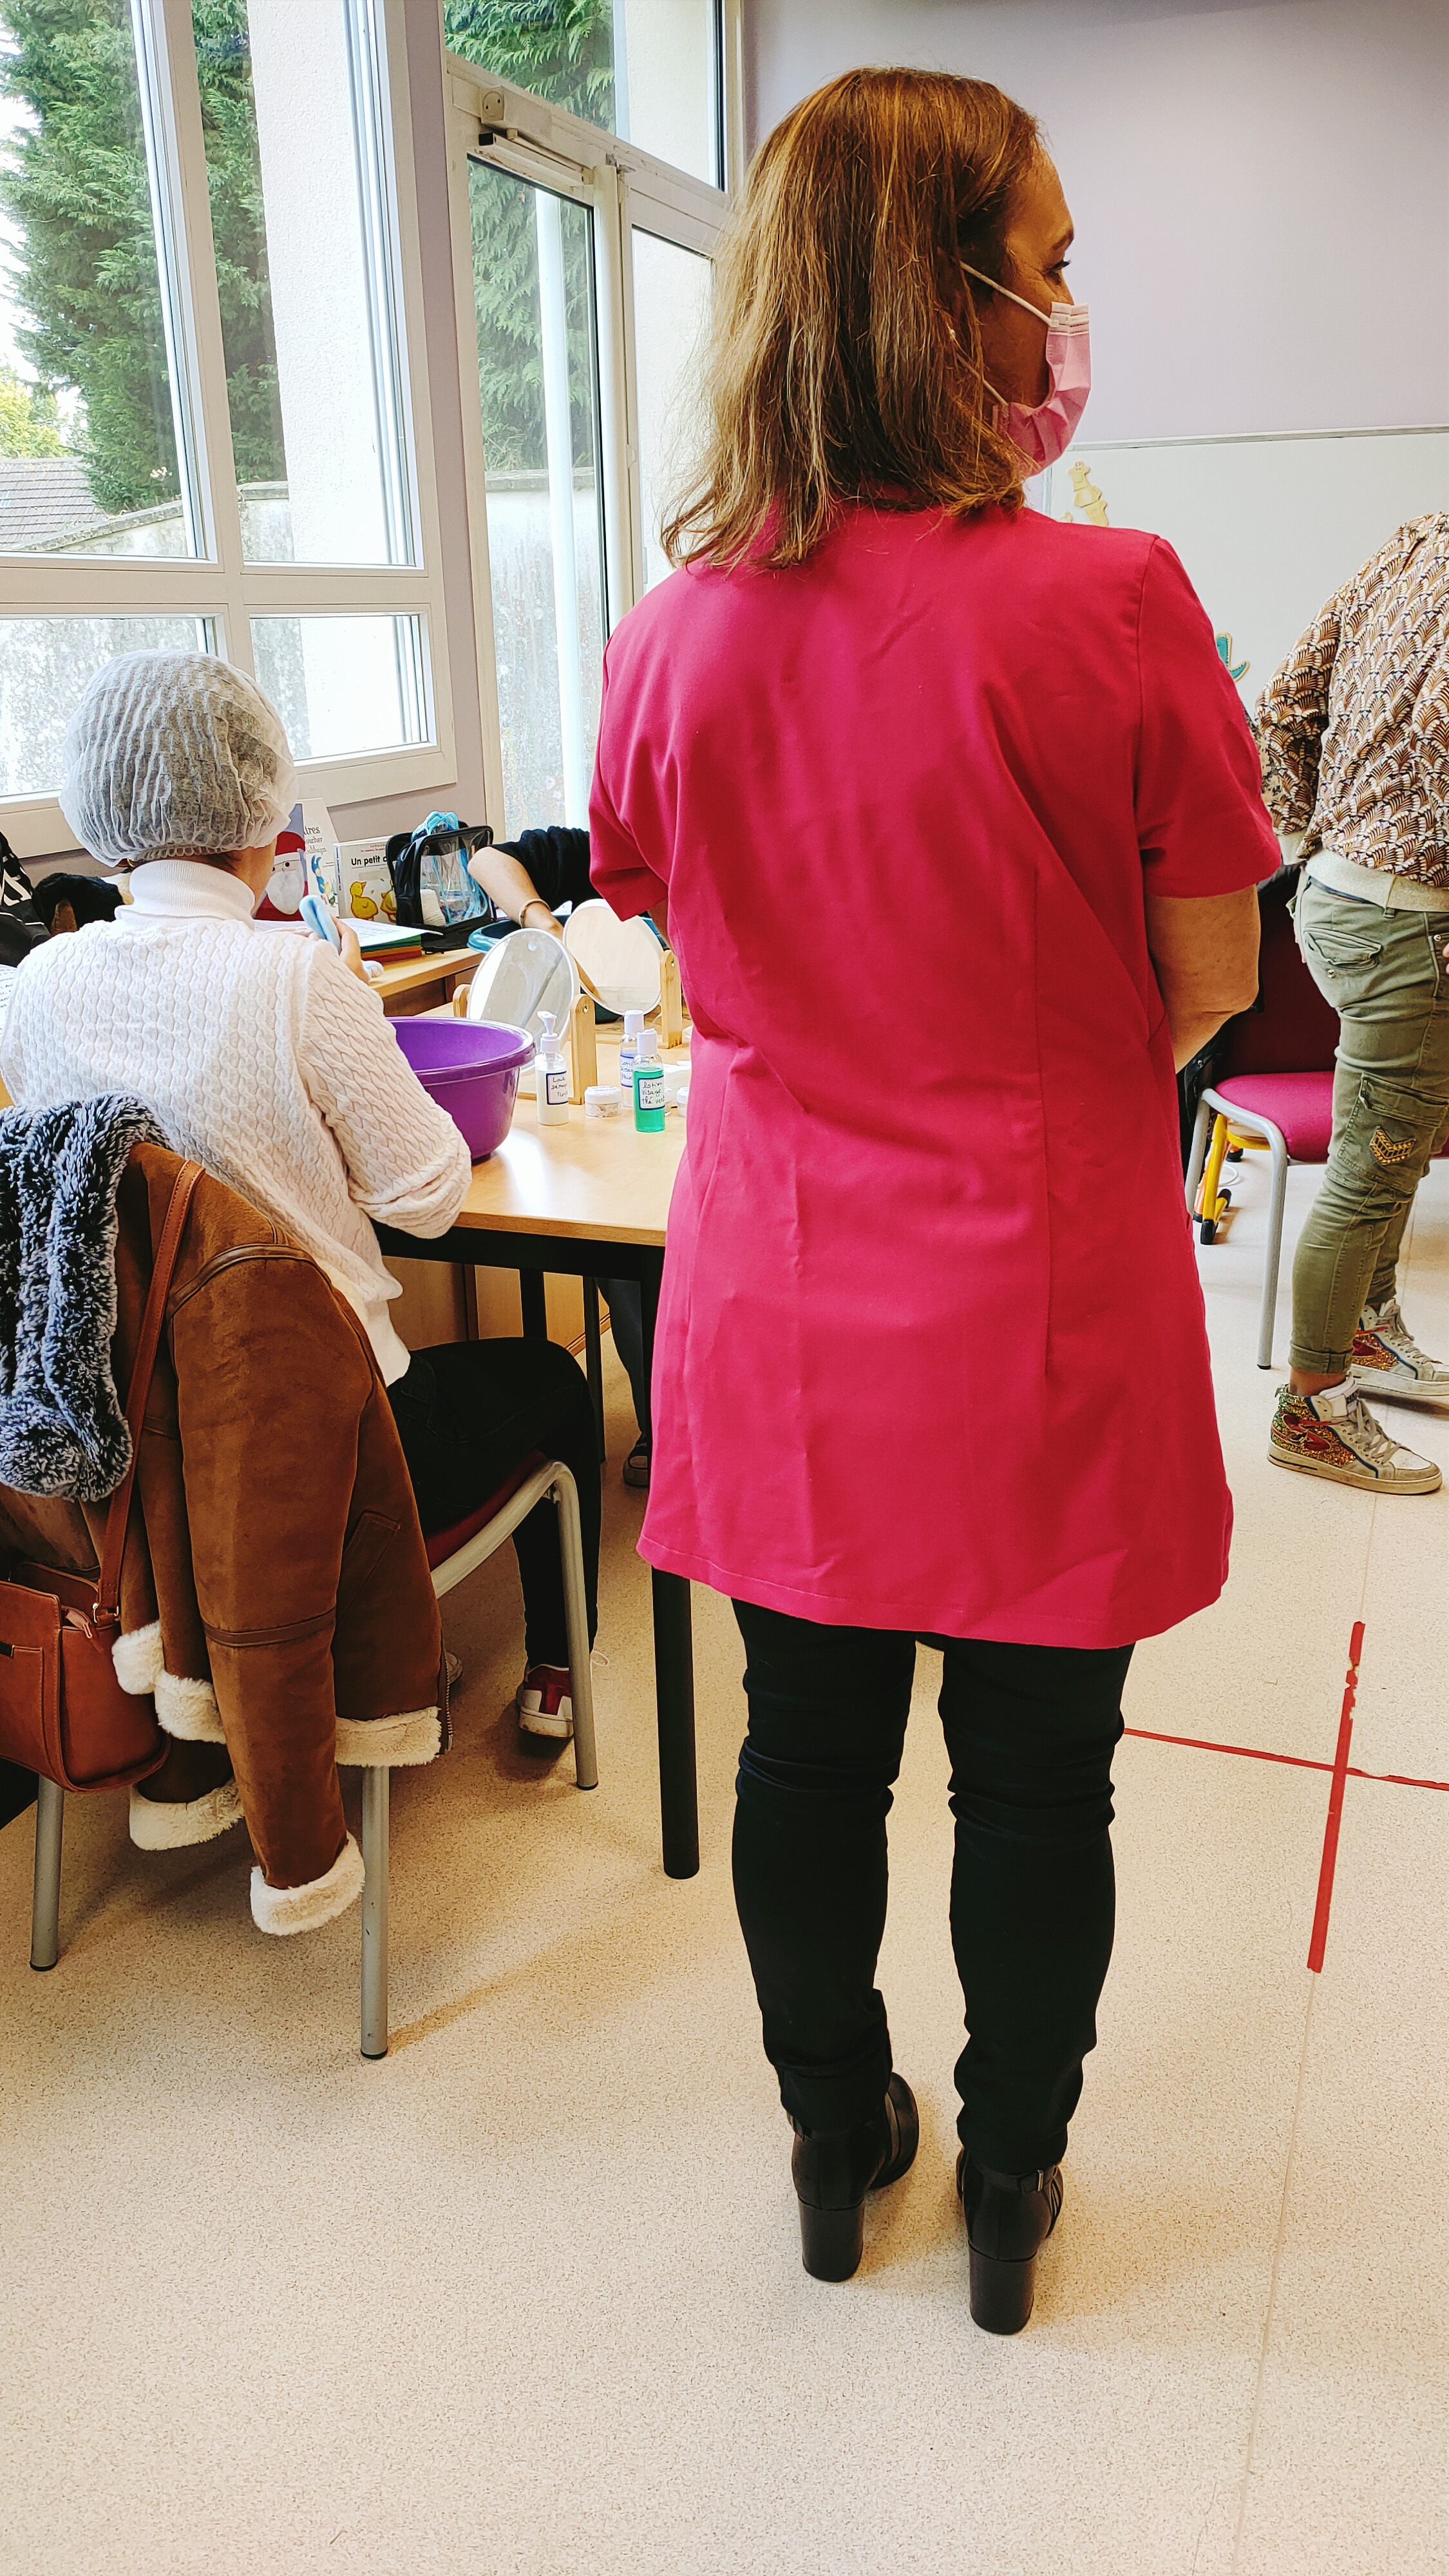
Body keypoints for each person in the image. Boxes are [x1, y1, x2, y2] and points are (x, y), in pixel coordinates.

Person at [588, 68, 1271, 2329]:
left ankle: (825, 2135)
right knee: (1038, 1786)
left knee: (806, 1751)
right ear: (931, 298)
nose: (1069, 312)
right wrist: (1022, 1083)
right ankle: (1008, 2177)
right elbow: (1197, 981)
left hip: (783, 1306)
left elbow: (690, 954)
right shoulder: (1116, 601)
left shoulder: (674, 632)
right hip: (1043, 1299)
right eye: (1048, 268)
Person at [0, 650, 599, 1747]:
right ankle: (559, 1673)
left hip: (148, 1458)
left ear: (101, 814)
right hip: (328, 1450)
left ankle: (371, 1637)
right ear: (260, 805)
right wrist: (348, 1044)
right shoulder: (296, 976)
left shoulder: (33, 988)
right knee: (557, 1380)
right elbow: (424, 1199)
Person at [1255, 518, 1449, 1495]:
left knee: (1397, 1143)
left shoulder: (1418, 540)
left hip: (1338, 896)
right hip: (1406, 921)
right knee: (1371, 1170)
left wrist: (1303, 838)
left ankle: (1366, 1336)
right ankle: (1311, 1409)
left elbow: (1282, 702)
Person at [466, 822, 658, 1488]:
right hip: (611, 1083)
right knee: (627, 1246)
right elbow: (489, 860)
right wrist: (543, 921)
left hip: (703, 1070)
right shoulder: (607, 850)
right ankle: (662, 1426)